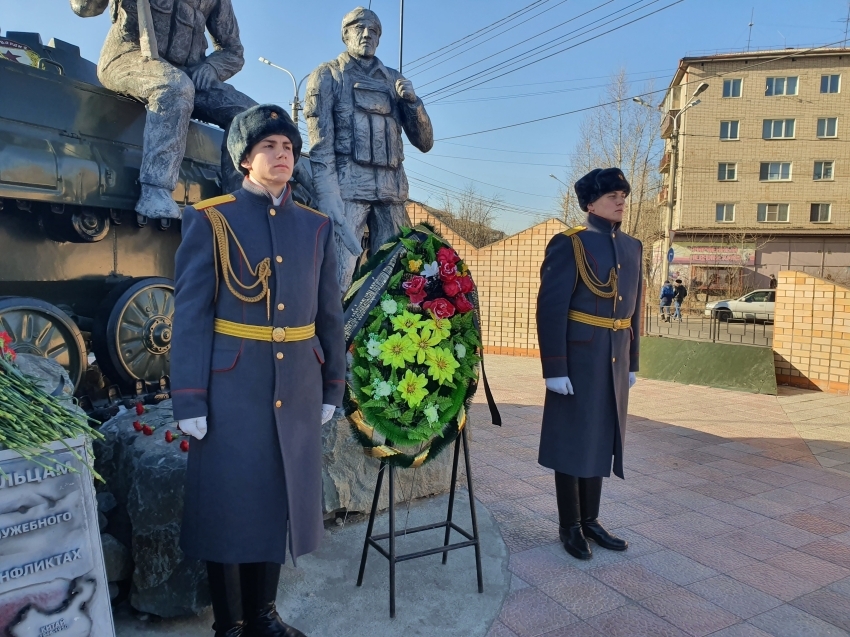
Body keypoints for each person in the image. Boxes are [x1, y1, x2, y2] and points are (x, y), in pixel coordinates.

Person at [170, 104, 346, 637]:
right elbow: (192, 315)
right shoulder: (212, 219)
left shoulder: (316, 227)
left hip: (296, 383)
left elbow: (328, 314)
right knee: (227, 502)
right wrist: (190, 398)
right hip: (232, 388)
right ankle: (231, 623)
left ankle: (265, 615)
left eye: (288, 148)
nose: (282, 155)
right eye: (269, 147)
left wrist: (333, 384)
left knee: (277, 497)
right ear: (246, 160)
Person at [536, 168, 643, 560]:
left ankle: (592, 521)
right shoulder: (570, 244)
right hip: (579, 358)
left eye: (622, 195)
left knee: (601, 436)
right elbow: (550, 309)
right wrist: (555, 368)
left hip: (613, 357)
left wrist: (632, 360)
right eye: (612, 195)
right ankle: (570, 525)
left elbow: (635, 311)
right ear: (590, 203)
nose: (620, 201)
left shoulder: (632, 246)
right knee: (572, 440)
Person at [70, 0, 256, 218]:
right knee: (174, 87)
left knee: (250, 117)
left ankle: (238, 204)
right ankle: (156, 190)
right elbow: (84, 8)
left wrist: (212, 66)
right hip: (129, 57)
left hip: (189, 71)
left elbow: (233, 50)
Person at [305, 6, 434, 287]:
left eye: (374, 31)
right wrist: (328, 196)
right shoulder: (327, 76)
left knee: (399, 278)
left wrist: (412, 104)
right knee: (336, 276)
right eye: (359, 28)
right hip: (347, 191)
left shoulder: (393, 79)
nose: (366, 34)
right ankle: (330, 331)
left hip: (391, 191)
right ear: (345, 34)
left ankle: (391, 332)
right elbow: (321, 146)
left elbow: (424, 142)